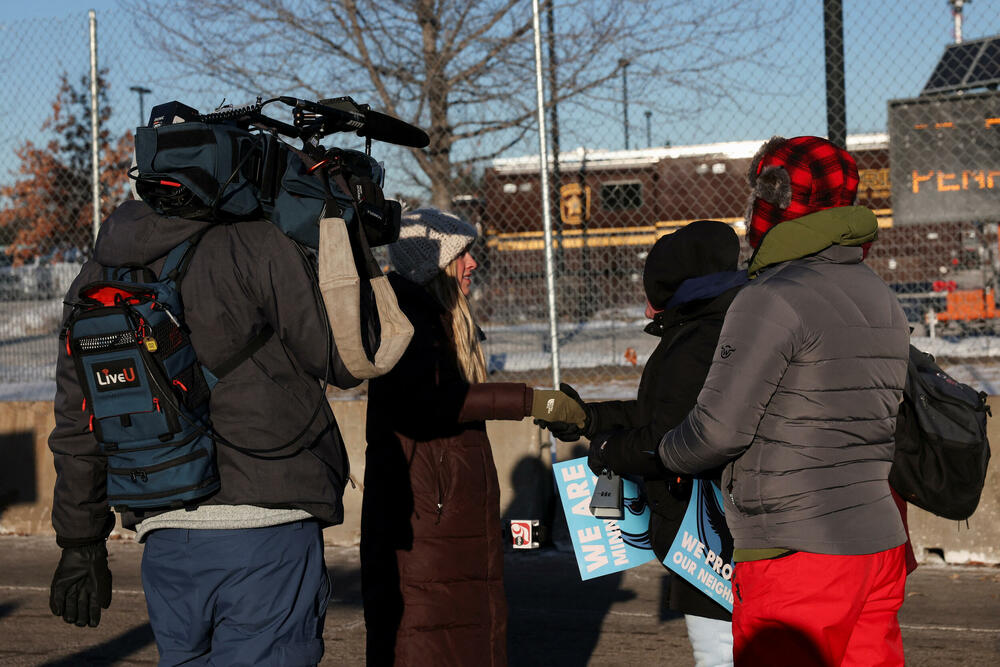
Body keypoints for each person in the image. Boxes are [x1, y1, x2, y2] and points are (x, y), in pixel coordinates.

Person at [48, 196, 365, 665]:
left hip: (166, 533)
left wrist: (81, 542)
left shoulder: (100, 271)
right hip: (267, 523)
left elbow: (79, 422)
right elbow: (347, 359)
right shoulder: (257, 241)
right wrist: (343, 234)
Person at [658, 136, 911, 666]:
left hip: (796, 552)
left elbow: (717, 432)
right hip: (878, 543)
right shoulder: (879, 296)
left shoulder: (771, 297)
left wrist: (664, 454)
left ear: (772, 203)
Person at [360, 208, 585, 667]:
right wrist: (530, 401)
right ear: (432, 263)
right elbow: (435, 399)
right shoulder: (407, 321)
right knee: (428, 642)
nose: (473, 263)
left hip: (443, 518)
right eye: (462, 253)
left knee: (460, 637)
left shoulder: (434, 318)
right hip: (425, 523)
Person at [537, 220, 747, 667]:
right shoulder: (727, 322)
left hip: (708, 527)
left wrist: (605, 451)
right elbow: (666, 415)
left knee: (721, 652)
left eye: (657, 293)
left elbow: (666, 441)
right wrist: (591, 419)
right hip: (725, 516)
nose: (649, 310)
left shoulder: (698, 340)